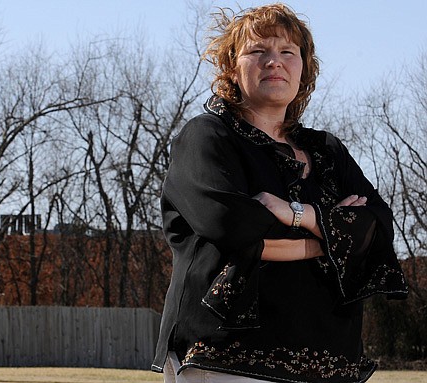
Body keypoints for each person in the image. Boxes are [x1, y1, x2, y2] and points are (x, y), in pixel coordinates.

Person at [151, 3, 408, 383]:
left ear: (303, 69)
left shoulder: (328, 151)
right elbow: (230, 223)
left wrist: (295, 213)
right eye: (258, 51)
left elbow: (378, 228)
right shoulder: (208, 136)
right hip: (228, 356)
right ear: (231, 69)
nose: (275, 61)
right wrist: (331, 237)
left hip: (331, 358)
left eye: (288, 52)